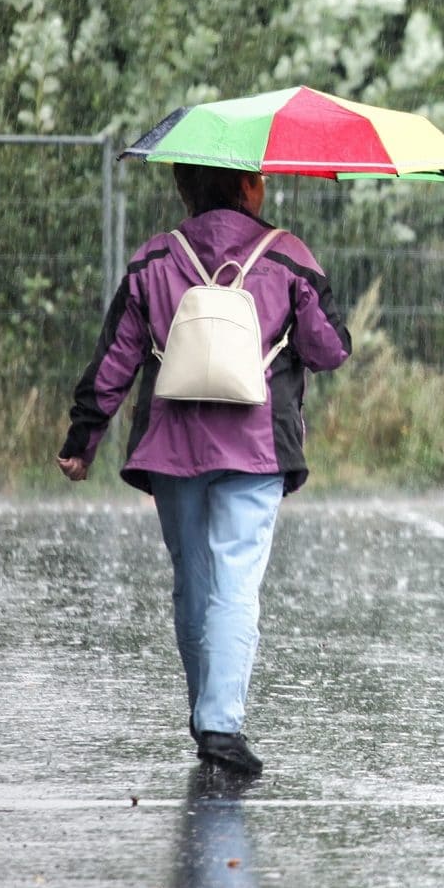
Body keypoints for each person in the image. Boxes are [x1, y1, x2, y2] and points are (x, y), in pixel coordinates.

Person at [57, 163, 350, 776]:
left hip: (173, 447)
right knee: (235, 582)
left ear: (184, 190)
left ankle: (205, 715)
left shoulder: (154, 259)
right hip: (256, 448)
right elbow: (330, 350)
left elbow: (116, 358)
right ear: (249, 187)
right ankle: (221, 723)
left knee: (192, 579)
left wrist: (84, 437)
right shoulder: (288, 255)